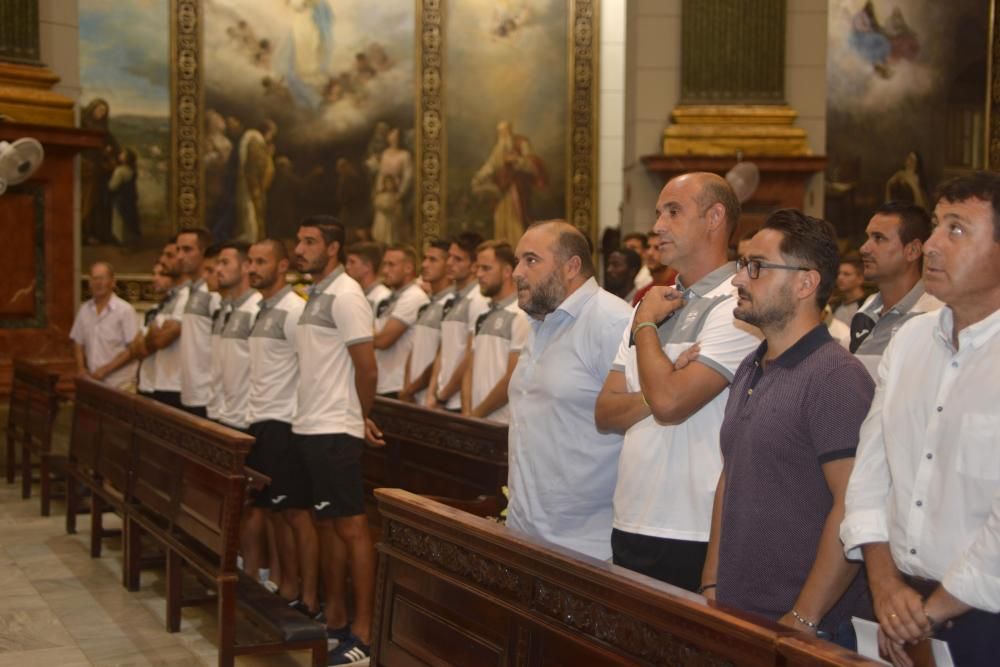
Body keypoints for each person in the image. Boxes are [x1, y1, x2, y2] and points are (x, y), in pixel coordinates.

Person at [841, 172, 1000, 667]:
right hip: (894, 602)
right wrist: (886, 586)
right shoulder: (910, 341)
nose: (930, 244)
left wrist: (930, 611)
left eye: (956, 230)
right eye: (935, 226)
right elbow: (869, 470)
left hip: (983, 616)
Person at [700, 210, 874, 645]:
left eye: (756, 266)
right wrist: (711, 582)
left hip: (802, 627)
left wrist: (803, 618)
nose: (740, 279)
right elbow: (732, 474)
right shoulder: (752, 364)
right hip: (738, 611)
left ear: (805, 283)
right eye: (742, 265)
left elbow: (854, 504)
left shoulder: (835, 377)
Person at [594, 172, 760, 592]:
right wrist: (665, 379)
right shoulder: (652, 302)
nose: (657, 226)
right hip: (631, 513)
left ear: (714, 217)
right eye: (657, 213)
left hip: (695, 524)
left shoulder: (738, 304)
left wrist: (647, 328)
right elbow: (605, 412)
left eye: (673, 211)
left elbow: (672, 405)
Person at [507, 221, 632, 560]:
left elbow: (641, 420)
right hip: (526, 530)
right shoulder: (540, 321)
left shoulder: (612, 321)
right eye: (517, 261)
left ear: (572, 266)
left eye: (531, 261)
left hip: (586, 544)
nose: (517, 272)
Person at [292, 216, 380, 664]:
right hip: (311, 425)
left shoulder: (347, 295)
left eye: (310, 242)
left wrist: (359, 416)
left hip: (335, 427)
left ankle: (364, 635)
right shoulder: (316, 294)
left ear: (333, 249)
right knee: (326, 525)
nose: (300, 248)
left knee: (351, 528)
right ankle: (336, 620)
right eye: (299, 240)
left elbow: (366, 368)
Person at [245, 239, 307, 605]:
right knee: (269, 510)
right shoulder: (262, 308)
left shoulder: (293, 310)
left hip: (284, 422)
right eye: (250, 261)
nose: (252, 268)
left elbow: (309, 366)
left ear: (282, 266)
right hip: (259, 419)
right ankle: (279, 580)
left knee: (290, 513)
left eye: (261, 261)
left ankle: (295, 589)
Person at [850, 201, 941, 377]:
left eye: (879, 238)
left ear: (913, 250)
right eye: (868, 237)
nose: (864, 248)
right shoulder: (865, 312)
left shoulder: (934, 316)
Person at [463, 241, 530, 423]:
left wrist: (476, 414)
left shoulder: (521, 314)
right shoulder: (482, 314)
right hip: (477, 419)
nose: (478, 274)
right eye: (477, 268)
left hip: (504, 423)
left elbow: (513, 377)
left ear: (507, 272)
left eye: (486, 268)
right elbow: (469, 368)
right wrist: (468, 412)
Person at [426, 232, 488, 411]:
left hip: (459, 400)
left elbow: (470, 356)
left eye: (458, 259)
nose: (449, 263)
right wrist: (432, 392)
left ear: (474, 266)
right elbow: (443, 349)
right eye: (449, 257)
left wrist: (443, 395)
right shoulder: (449, 298)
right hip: (441, 397)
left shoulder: (478, 299)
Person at [471, 121, 547, 245]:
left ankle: (518, 249)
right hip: (502, 192)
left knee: (517, 222)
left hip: (518, 191)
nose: (502, 135)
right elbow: (490, 166)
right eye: (500, 132)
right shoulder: (498, 148)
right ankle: (502, 249)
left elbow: (532, 165)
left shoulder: (521, 143)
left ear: (510, 131)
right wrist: (478, 178)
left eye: (505, 131)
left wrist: (517, 160)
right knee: (501, 221)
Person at [70, 262, 139, 391]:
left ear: (113, 282)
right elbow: (78, 342)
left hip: (121, 385)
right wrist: (81, 369)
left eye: (102, 278)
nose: (98, 283)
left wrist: (105, 370)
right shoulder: (84, 309)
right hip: (93, 384)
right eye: (94, 278)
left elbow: (133, 349)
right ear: (89, 282)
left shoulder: (125, 310)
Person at [215, 242, 262, 431]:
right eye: (218, 263)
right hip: (225, 410)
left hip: (246, 417)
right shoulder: (229, 307)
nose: (218, 269)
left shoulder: (256, 308)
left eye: (225, 263)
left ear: (245, 267)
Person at [400, 240, 453, 404]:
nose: (424, 264)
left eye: (433, 260)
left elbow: (442, 355)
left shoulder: (451, 304)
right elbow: (414, 348)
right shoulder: (426, 303)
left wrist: (412, 388)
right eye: (424, 258)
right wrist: (407, 387)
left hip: (432, 399)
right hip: (413, 397)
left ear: (448, 264)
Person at [145, 235, 194, 410]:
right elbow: (147, 342)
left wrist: (155, 333)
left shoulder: (190, 295)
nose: (163, 260)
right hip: (161, 381)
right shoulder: (170, 297)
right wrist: (154, 333)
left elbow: (159, 340)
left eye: (169, 255)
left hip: (178, 384)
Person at [373, 245, 429, 398]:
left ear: (408, 268)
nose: (385, 270)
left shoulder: (414, 296)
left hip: (397, 384)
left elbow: (383, 340)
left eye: (391, 265)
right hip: (381, 381)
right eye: (384, 264)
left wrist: (359, 333)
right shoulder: (386, 298)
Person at [178, 228, 220, 419]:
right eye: (178, 249)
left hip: (207, 393)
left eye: (187, 250)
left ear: (203, 253)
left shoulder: (213, 292)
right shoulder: (190, 290)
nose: (180, 256)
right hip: (188, 389)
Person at [135, 261, 175, 398]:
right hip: (145, 383)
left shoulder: (176, 309)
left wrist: (148, 340)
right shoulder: (151, 311)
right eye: (154, 274)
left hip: (165, 385)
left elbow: (157, 342)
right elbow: (137, 349)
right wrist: (151, 338)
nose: (155, 278)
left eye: (161, 274)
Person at [370, 127, 412, 245]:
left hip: (395, 194)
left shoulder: (405, 155)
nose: (394, 138)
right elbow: (381, 174)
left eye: (397, 136)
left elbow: (408, 176)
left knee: (393, 230)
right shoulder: (385, 153)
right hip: (383, 194)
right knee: (381, 226)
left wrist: (400, 194)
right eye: (392, 135)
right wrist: (378, 191)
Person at [631, 229, 677, 306]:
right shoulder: (642, 294)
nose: (650, 253)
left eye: (657, 248)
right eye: (648, 247)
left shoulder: (681, 286)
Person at [345, 241, 391, 314]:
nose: (347, 267)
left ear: (367, 266)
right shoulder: (354, 294)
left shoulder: (383, 298)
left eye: (352, 262)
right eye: (347, 262)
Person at [108, 148, 140, 247]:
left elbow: (112, 186)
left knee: (119, 219)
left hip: (120, 198)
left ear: (126, 158)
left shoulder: (120, 170)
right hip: (129, 198)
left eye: (123, 154)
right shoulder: (132, 170)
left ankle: (120, 241)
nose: (120, 155)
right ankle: (128, 240)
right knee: (128, 218)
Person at [832, 252, 867, 325]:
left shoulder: (867, 306)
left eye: (846, 274)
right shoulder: (834, 305)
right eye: (838, 273)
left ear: (860, 279)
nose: (840, 278)